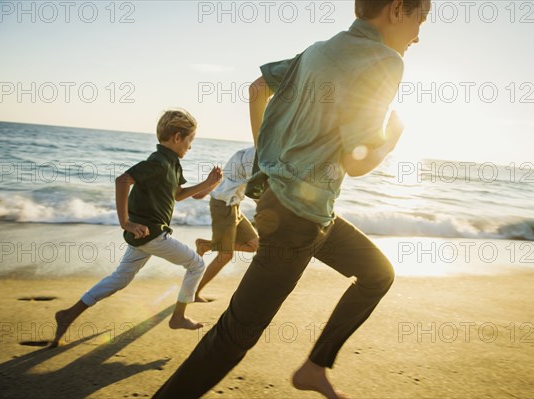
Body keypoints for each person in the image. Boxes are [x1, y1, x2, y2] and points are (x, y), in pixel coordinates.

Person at [154, 0, 430, 397]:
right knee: (235, 335)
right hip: (296, 221)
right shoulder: (384, 60)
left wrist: (265, 155)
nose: (419, 34)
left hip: (308, 212)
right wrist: (393, 138)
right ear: (398, 9)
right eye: (420, 18)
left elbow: (257, 88)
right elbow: (359, 163)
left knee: (378, 274)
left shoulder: (318, 50)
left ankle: (315, 368)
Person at [51, 109, 223, 347]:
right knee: (196, 264)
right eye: (190, 140)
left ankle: (68, 314)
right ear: (176, 137)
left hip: (144, 236)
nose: (190, 147)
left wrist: (207, 184)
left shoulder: (172, 164)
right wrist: (125, 222)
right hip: (151, 233)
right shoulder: (158, 163)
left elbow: (178, 195)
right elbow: (123, 180)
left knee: (120, 279)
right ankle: (179, 316)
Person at [194, 146, 259, 302]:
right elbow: (257, 191)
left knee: (254, 244)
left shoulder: (249, 152)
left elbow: (226, 177)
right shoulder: (256, 155)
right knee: (226, 254)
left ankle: (207, 246)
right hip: (223, 205)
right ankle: (194, 293)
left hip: (233, 204)